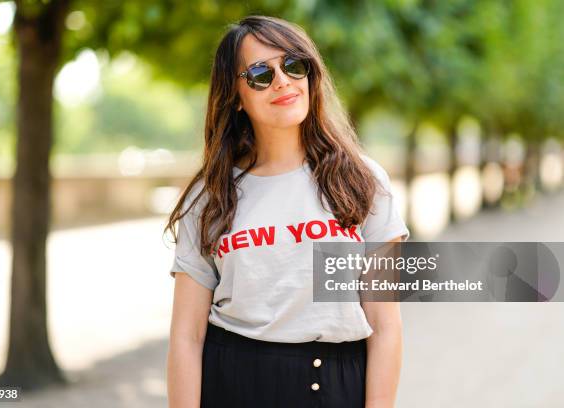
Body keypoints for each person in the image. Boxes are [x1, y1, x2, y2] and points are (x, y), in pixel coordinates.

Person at [165, 15, 410, 408]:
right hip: (234, 382)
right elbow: (186, 337)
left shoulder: (361, 180)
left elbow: (385, 326)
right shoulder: (210, 196)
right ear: (235, 95)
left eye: (294, 65)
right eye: (260, 73)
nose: (282, 80)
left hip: (337, 383)